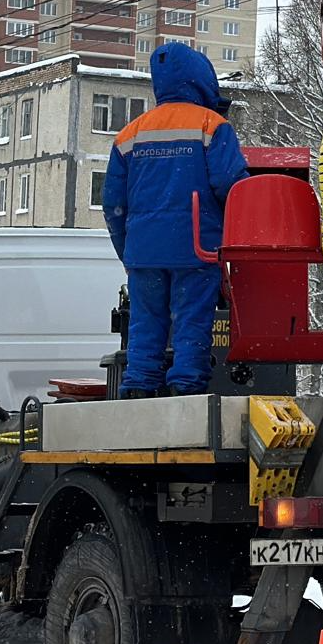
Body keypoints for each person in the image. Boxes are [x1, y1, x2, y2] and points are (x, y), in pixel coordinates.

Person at [102, 42, 248, 399]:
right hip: (196, 249)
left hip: (144, 252)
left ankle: (138, 388)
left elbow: (112, 204)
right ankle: (185, 390)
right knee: (192, 324)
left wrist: (129, 252)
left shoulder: (130, 134)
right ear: (201, 80)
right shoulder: (212, 126)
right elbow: (234, 187)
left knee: (145, 325)